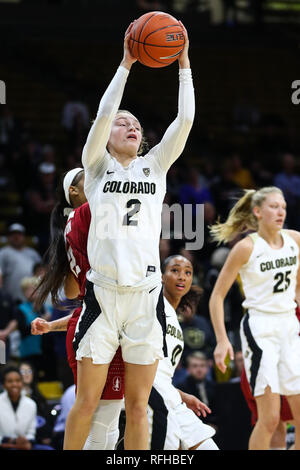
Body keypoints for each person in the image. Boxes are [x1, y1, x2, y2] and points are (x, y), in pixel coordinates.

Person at [64, 19, 194, 451]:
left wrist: (184, 65)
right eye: (123, 122)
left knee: (139, 407)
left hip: (145, 295)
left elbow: (186, 118)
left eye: (135, 122)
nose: (129, 125)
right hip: (102, 296)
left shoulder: (154, 166)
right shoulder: (97, 167)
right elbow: (103, 114)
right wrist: (126, 64)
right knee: (86, 403)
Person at [32, 167, 124, 450]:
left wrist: (51, 325)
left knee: (105, 417)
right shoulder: (87, 217)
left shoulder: (69, 228)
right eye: (91, 178)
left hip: (93, 318)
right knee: (101, 415)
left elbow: (75, 293)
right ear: (73, 190)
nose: (100, 180)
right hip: (99, 322)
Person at [209, 186, 300, 450]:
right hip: (260, 329)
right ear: (258, 212)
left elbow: (296, 285)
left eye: (282, 206)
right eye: (273, 206)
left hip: (289, 327)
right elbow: (217, 296)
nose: (280, 211)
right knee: (270, 418)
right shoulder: (246, 248)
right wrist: (222, 340)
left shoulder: (295, 240)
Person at [146, 255, 218, 450]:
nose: (182, 277)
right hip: (149, 397)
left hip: (170, 396)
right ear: (161, 276)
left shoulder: (175, 319)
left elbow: (161, 373)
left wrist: (181, 395)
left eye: (188, 272)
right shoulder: (151, 303)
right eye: (175, 270)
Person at [0, 366, 53, 450]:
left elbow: (31, 432)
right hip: (4, 445)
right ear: (3, 384)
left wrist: (27, 441)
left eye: (17, 380)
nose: (14, 384)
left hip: (25, 445)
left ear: (22, 382)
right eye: (10, 381)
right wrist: (11, 441)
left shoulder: (31, 404)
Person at [0, 223, 41, 303]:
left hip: (31, 300)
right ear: (9, 237)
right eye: (13, 234)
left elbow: (40, 273)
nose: (16, 237)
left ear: (23, 236)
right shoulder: (3, 253)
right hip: (11, 300)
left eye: (19, 234)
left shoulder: (33, 253)